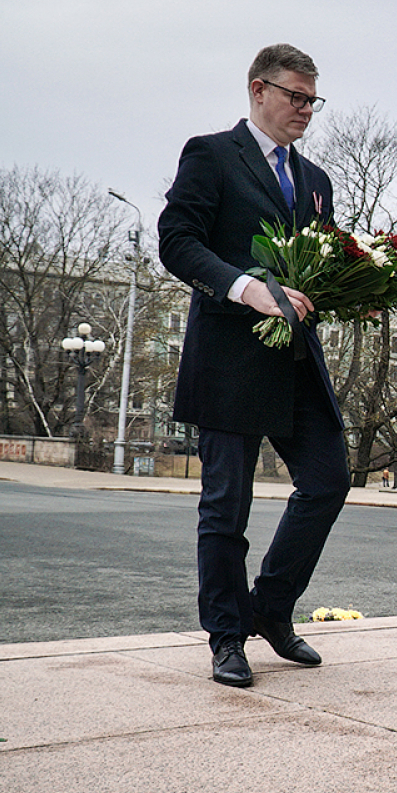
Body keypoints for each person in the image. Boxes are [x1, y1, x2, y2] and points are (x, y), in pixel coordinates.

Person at [158, 43, 348, 688]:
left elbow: (317, 263)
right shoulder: (211, 155)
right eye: (296, 97)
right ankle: (226, 637)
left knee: (328, 481)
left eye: (312, 100)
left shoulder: (316, 180)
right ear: (257, 90)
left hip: (296, 360)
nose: (306, 110)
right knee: (226, 509)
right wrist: (248, 288)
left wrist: (355, 288)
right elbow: (178, 242)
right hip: (229, 359)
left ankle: (269, 607)